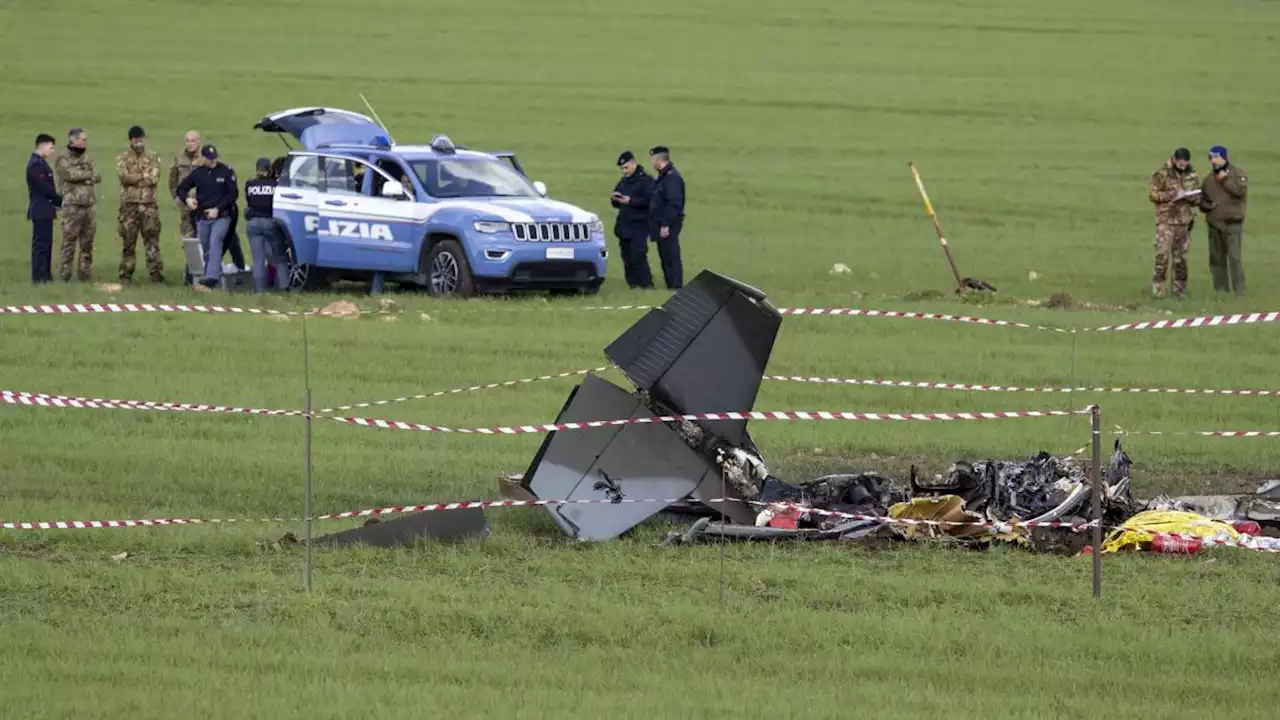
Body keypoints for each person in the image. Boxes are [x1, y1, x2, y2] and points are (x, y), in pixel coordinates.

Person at [174, 144, 238, 288]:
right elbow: (181, 189)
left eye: (214, 158)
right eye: (209, 159)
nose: (212, 161)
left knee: (216, 240)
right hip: (203, 217)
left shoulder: (226, 171)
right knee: (204, 247)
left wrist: (218, 208)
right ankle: (207, 278)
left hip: (222, 215)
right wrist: (188, 200)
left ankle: (212, 277)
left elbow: (233, 194)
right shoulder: (198, 173)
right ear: (203, 158)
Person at [1146, 148, 1200, 298]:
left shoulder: (1192, 174)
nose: (1183, 166)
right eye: (1180, 164)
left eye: (1185, 164)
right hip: (1166, 221)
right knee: (1162, 256)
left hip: (1184, 222)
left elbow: (1198, 196)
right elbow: (1153, 194)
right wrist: (1172, 195)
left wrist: (1191, 197)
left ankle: (1179, 291)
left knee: (1181, 259)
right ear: (1175, 160)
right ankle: (1158, 291)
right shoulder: (1162, 173)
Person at [116, 126, 165, 284]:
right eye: (136, 139)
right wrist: (143, 176)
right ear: (131, 140)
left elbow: (154, 178)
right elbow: (124, 177)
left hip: (149, 205)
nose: (139, 142)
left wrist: (135, 177)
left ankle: (156, 274)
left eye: (141, 139)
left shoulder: (152, 156)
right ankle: (126, 274)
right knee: (128, 241)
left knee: (152, 241)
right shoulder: (122, 157)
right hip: (129, 207)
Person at [54, 127, 102, 282]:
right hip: (71, 208)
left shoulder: (87, 157)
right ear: (73, 140)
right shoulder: (63, 158)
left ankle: (85, 276)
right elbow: (69, 174)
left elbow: (98, 175)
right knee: (69, 242)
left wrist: (84, 176)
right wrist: (87, 176)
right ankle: (65, 276)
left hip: (89, 206)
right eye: (83, 139)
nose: (85, 142)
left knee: (87, 243)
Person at [1199, 145, 1249, 295]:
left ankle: (1239, 291)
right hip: (1214, 224)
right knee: (1216, 259)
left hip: (1232, 224)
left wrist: (1225, 180)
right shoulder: (1208, 180)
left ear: (1223, 157)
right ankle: (1221, 290)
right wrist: (1205, 206)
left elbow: (1240, 191)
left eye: (1216, 157)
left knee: (1234, 259)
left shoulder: (1237, 174)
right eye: (1211, 158)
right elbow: (1202, 199)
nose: (1213, 161)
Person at [610, 150, 655, 288]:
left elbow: (651, 201)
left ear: (633, 164)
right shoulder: (623, 182)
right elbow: (616, 201)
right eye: (622, 169)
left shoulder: (646, 180)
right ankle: (633, 284)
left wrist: (631, 201)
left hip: (639, 225)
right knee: (627, 257)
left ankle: (646, 284)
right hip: (624, 225)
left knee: (638, 255)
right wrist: (615, 199)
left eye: (626, 167)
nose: (624, 171)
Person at [243, 157, 288, 293]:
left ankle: (259, 290)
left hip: (253, 223)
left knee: (258, 259)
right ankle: (284, 287)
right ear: (270, 170)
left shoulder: (249, 184)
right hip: (270, 222)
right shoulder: (275, 186)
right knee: (279, 257)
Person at [647, 145, 685, 289]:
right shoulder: (664, 177)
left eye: (653, 159)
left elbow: (674, 204)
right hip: (661, 224)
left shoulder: (671, 178)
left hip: (668, 225)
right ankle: (670, 284)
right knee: (665, 256)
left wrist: (666, 224)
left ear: (659, 159)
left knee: (671, 255)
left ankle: (676, 285)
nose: (652, 163)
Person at [26, 133, 62, 284]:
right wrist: (60, 201)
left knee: (46, 245)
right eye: (51, 147)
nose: (52, 151)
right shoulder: (36, 165)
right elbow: (46, 188)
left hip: (46, 210)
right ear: (43, 145)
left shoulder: (40, 163)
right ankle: (39, 276)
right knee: (41, 246)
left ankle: (45, 275)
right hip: (40, 210)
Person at [169, 130, 201, 241]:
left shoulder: (204, 158)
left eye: (193, 141)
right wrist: (176, 196)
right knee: (187, 236)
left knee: (201, 234)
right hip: (184, 202)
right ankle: (190, 257)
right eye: (187, 141)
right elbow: (173, 179)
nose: (189, 143)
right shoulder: (179, 157)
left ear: (198, 142)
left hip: (200, 202)